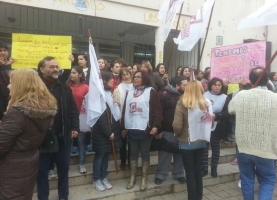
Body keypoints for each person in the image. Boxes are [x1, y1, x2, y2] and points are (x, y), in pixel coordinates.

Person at [0, 69, 57, 200]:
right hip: (26, 167)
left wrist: (8, 114)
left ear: (20, 86)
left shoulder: (17, 113)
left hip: (10, 172)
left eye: (10, 82)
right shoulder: (42, 109)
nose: (8, 86)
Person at [229, 67, 277, 200]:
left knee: (247, 180)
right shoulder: (275, 98)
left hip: (244, 147)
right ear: (268, 79)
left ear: (250, 80)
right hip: (266, 149)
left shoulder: (241, 95)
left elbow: (230, 109)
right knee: (267, 180)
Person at [36, 56, 79, 200]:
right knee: (41, 171)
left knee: (63, 168)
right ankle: (43, 197)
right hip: (42, 138)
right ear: (42, 69)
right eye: (51, 67)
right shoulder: (35, 87)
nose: (56, 69)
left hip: (63, 136)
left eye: (56, 66)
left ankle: (63, 196)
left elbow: (72, 109)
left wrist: (74, 127)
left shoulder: (64, 87)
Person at [121, 70, 162, 191]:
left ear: (144, 78)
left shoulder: (151, 92)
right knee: (132, 153)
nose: (135, 79)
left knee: (144, 153)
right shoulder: (130, 92)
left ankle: (144, 178)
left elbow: (157, 111)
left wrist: (156, 126)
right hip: (132, 129)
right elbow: (124, 110)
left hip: (145, 129)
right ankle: (132, 178)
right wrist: (123, 127)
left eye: (138, 77)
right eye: (134, 77)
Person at [173, 80, 213, 200]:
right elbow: (209, 122)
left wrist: (179, 135)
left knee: (190, 174)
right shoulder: (207, 102)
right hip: (201, 141)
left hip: (187, 142)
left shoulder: (182, 102)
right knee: (197, 173)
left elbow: (177, 125)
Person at [92, 71, 122, 191]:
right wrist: (108, 132)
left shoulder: (108, 94)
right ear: (104, 81)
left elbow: (112, 113)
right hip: (101, 133)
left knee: (106, 156)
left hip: (110, 132)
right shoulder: (99, 96)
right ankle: (96, 179)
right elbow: (100, 117)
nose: (112, 81)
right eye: (110, 79)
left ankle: (104, 177)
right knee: (100, 156)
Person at [154, 76, 187, 186]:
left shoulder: (187, 96)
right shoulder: (164, 95)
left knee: (181, 153)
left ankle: (179, 173)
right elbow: (158, 113)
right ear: (177, 86)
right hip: (167, 130)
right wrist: (159, 130)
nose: (187, 87)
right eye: (184, 85)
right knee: (165, 154)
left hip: (183, 131)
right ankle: (161, 175)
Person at [202, 77, 230, 178]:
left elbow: (228, 113)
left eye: (219, 85)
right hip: (205, 125)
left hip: (217, 126)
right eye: (215, 85)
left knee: (215, 148)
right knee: (204, 148)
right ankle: (204, 168)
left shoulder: (225, 97)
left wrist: (217, 116)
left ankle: (214, 168)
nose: (217, 87)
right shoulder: (204, 95)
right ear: (210, 85)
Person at [68, 66, 89, 174]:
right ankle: (65, 165)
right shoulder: (67, 86)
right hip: (69, 119)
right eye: (71, 73)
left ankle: (82, 164)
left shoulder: (86, 87)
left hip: (81, 119)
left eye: (74, 73)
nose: (71, 75)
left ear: (80, 75)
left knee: (81, 143)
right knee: (68, 143)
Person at [114, 68, 133, 170]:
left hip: (133, 118)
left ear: (130, 75)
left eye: (127, 74)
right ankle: (122, 160)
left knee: (131, 142)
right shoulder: (118, 88)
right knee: (122, 140)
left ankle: (131, 161)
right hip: (122, 118)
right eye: (123, 75)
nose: (126, 76)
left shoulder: (135, 87)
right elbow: (116, 104)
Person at [0, 41, 14, 120]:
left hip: (11, 99)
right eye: (0, 51)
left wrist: (8, 65)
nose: (3, 53)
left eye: (5, 50)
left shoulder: (12, 65)